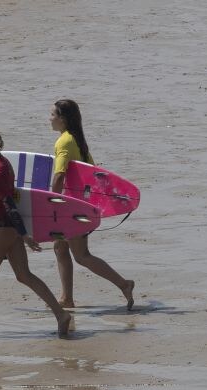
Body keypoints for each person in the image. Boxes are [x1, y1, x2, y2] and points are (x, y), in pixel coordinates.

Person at [0, 130, 71, 340]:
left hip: (2, 227)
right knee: (23, 275)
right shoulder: (3, 164)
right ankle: (61, 314)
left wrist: (25, 235)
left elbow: (9, 203)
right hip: (10, 228)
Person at [49, 99, 135, 311]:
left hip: (70, 207)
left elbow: (59, 176)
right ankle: (66, 298)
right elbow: (92, 172)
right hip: (79, 204)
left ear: (63, 119)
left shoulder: (64, 142)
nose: (49, 118)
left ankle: (124, 284)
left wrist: (50, 202)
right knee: (60, 247)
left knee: (81, 256)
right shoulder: (77, 140)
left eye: (52, 114)